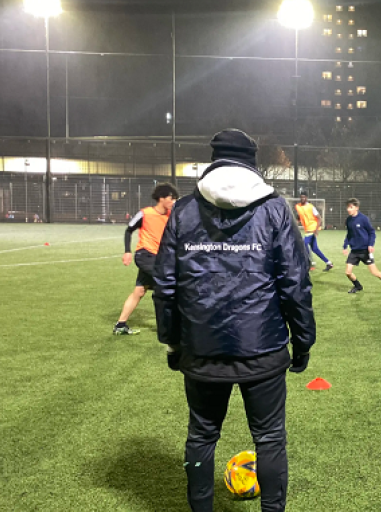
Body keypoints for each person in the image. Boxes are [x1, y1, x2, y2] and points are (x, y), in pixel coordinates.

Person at [153, 129, 315, 512]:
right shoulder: (274, 208)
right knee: (269, 439)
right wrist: (303, 340)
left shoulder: (184, 210)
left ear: (214, 160)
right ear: (252, 162)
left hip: (201, 349)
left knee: (201, 436)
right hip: (263, 347)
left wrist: (173, 342)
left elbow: (165, 284)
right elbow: (295, 281)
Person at [113, 182, 179, 335]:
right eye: (171, 198)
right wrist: (127, 251)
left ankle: (120, 325)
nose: (174, 201)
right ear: (161, 198)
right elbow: (129, 230)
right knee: (169, 285)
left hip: (160, 258)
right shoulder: (145, 213)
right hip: (146, 255)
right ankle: (169, 327)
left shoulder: (172, 216)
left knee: (140, 291)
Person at [342, 198, 381, 295]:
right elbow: (349, 234)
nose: (348, 209)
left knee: (375, 272)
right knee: (348, 272)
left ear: (357, 208)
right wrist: (345, 246)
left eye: (351, 207)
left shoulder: (364, 219)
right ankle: (358, 286)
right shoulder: (348, 220)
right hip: (354, 251)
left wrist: (370, 245)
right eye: (348, 207)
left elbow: (372, 232)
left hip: (365, 251)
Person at [295, 192, 333, 271]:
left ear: (306, 198)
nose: (302, 198)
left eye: (304, 197)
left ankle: (309, 263)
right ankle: (329, 263)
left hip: (312, 229)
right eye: (301, 197)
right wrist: (295, 225)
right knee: (315, 249)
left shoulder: (311, 207)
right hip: (307, 230)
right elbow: (299, 217)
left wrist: (316, 230)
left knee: (304, 244)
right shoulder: (298, 206)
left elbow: (319, 218)